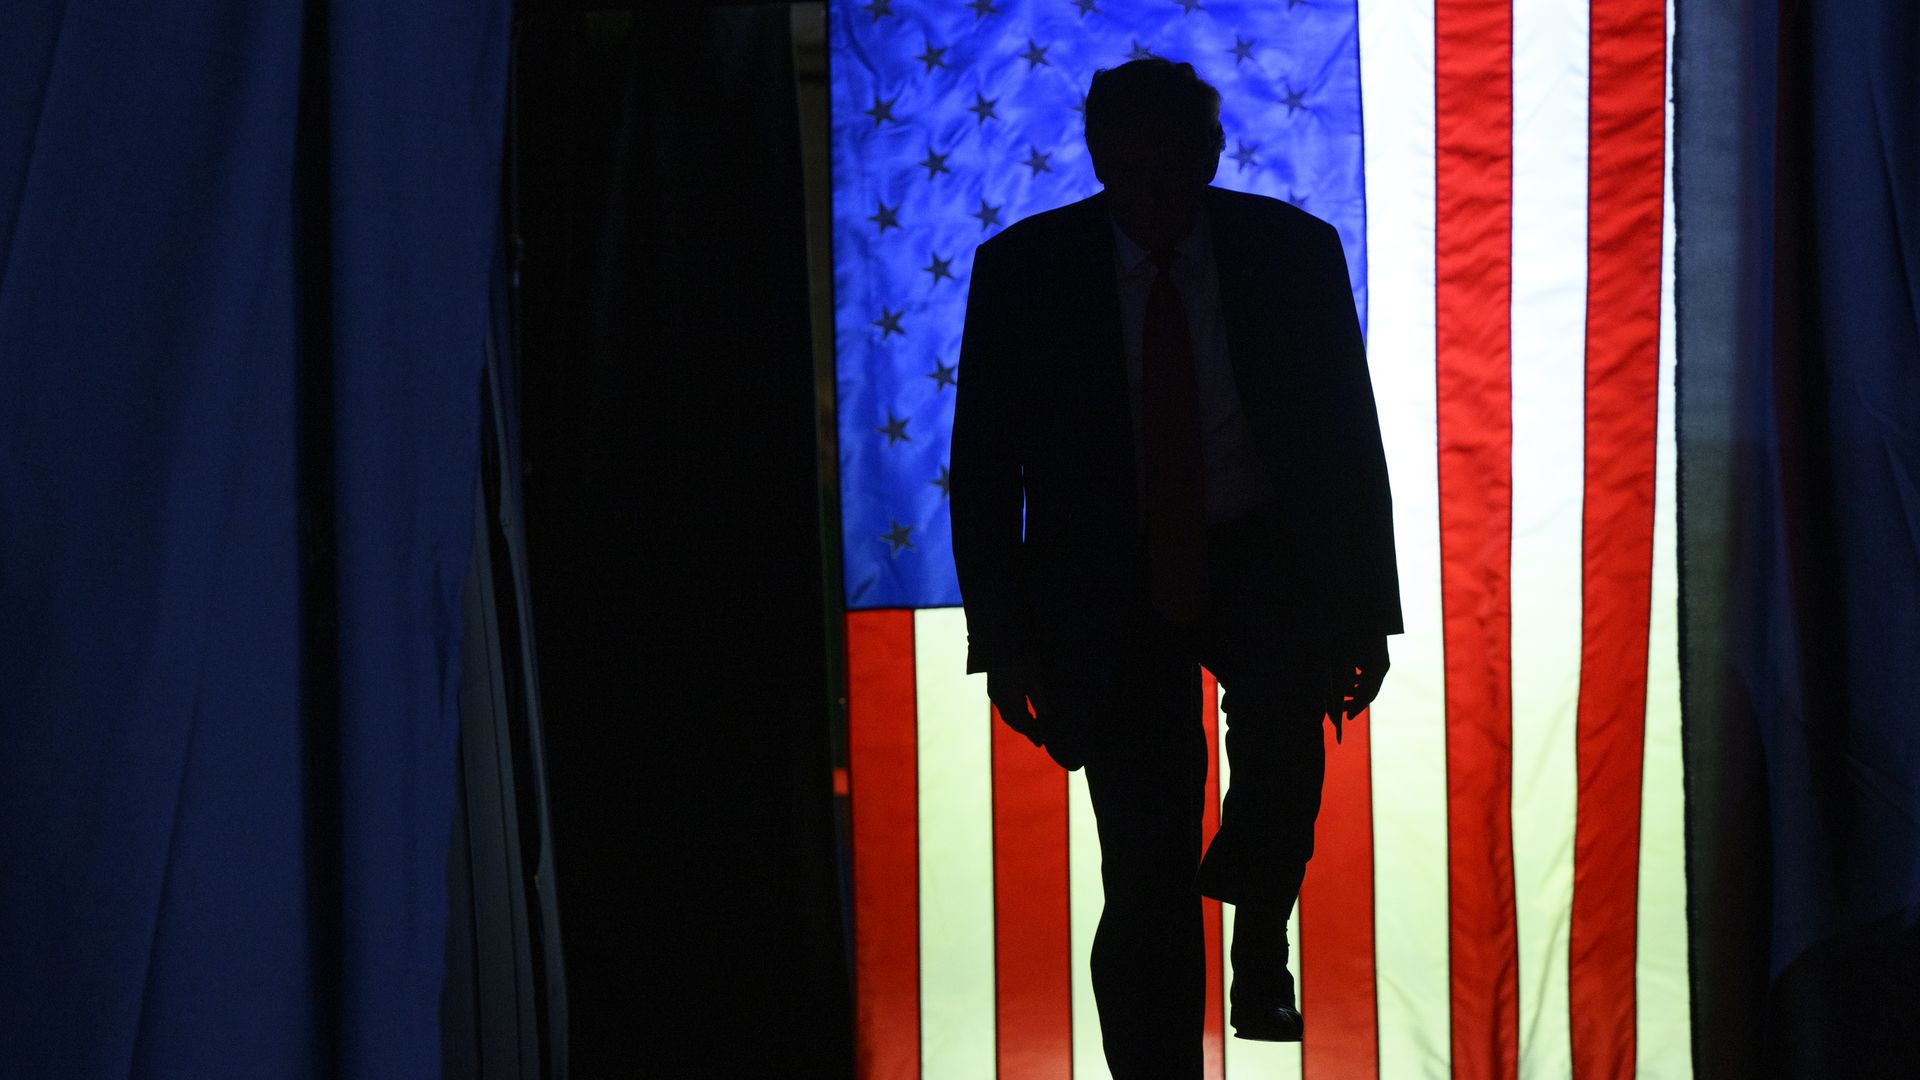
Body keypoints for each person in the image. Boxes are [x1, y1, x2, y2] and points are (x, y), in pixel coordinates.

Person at [949, 58, 1402, 1078]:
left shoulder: (1291, 253)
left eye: (1176, 160)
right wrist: (1008, 641)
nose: (1155, 185)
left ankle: (1254, 936)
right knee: (1145, 871)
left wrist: (1365, 613)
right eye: (1133, 162)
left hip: (1262, 560)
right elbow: (983, 468)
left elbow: (1344, 443)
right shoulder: (1025, 269)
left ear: (1211, 153)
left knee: (1285, 774)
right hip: (1109, 590)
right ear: (1100, 156)